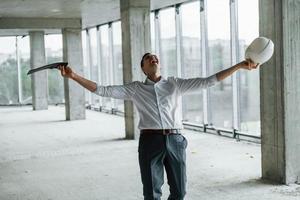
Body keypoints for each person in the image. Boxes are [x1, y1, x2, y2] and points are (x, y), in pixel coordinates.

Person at [58, 53, 258, 200]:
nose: (153, 58)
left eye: (156, 57)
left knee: (180, 192)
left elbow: (208, 81)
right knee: (152, 193)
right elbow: (102, 90)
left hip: (176, 140)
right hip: (150, 141)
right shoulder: (136, 89)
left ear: (158, 65)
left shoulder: (174, 84)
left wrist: (240, 65)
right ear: (143, 68)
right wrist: (73, 76)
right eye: (148, 58)